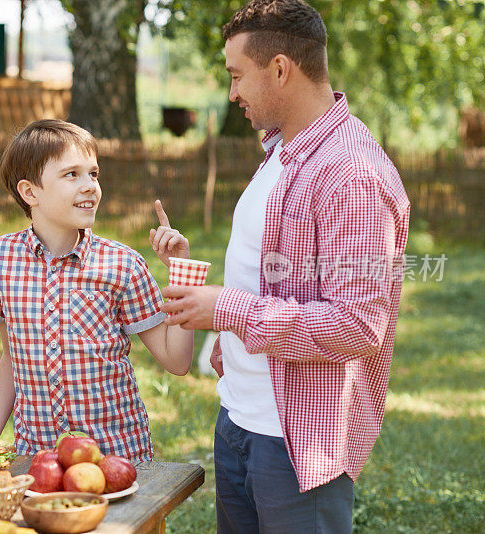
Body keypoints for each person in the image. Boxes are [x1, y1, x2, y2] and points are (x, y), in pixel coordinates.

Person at [160, 1, 411, 532]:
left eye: (236, 76)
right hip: (239, 423)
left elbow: (358, 326)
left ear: (279, 69)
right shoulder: (281, 150)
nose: (232, 94)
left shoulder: (352, 176)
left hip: (297, 445)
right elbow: (270, 275)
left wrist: (227, 308)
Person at [0, 119, 193, 460]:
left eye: (93, 173)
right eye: (71, 175)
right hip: (38, 457)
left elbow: (177, 361)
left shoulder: (122, 265)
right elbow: (11, 357)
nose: (90, 185)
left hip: (116, 455)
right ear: (30, 192)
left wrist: (181, 270)